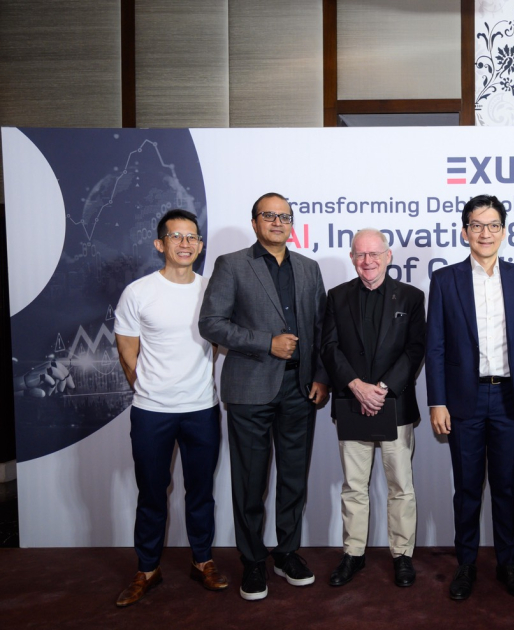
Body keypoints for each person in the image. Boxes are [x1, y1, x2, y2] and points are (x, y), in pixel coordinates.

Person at [199, 192, 329, 601]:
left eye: (284, 216)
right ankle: (253, 559)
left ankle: (287, 553)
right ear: (254, 222)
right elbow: (211, 323)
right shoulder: (232, 264)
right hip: (250, 389)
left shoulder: (308, 268)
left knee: (293, 478)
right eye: (268, 216)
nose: (277, 222)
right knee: (250, 481)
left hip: (300, 389)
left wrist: (321, 376)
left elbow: (322, 328)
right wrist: (265, 343)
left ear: (292, 224)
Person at [425, 194, 514, 600]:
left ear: (504, 231)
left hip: (511, 398)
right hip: (464, 401)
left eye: (493, 225)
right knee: (468, 488)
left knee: (507, 487)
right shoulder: (445, 280)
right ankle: (466, 564)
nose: (485, 233)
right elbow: (435, 345)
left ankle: (508, 563)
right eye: (477, 225)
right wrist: (437, 401)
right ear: (465, 232)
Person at [113, 209, 228, 607]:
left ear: (200, 245)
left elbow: (220, 341)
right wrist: (152, 391)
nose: (185, 243)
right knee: (151, 492)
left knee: (201, 491)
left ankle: (203, 561)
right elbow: (127, 353)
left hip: (202, 409)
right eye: (176, 236)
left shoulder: (213, 290)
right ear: (160, 244)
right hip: (151, 412)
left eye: (192, 237)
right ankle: (147, 569)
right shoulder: (138, 292)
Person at [320, 229, 426, 588]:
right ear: (352, 258)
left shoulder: (411, 297)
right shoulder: (336, 296)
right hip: (351, 402)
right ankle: (353, 553)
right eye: (361, 255)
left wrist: (381, 389)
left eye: (374, 254)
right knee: (353, 486)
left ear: (388, 256)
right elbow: (329, 347)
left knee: (401, 486)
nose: (368, 261)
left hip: (394, 403)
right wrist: (355, 385)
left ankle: (402, 555)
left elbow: (415, 349)